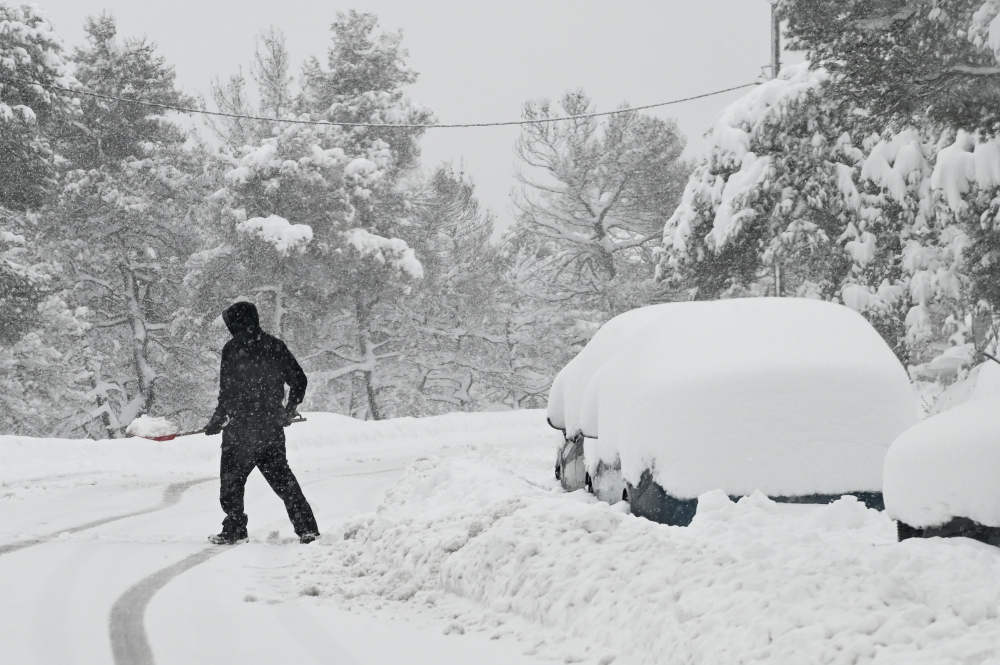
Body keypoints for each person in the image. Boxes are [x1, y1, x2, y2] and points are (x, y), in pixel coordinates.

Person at [204, 301, 320, 545]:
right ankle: (303, 530)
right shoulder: (263, 347)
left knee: (238, 483)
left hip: (250, 430)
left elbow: (228, 392)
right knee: (273, 484)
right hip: (258, 429)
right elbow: (298, 379)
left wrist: (218, 418)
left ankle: (239, 527)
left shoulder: (246, 349)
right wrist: (289, 408)